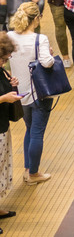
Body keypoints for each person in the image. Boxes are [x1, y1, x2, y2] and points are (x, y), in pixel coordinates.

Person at [7, 2, 55, 185]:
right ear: (36, 19)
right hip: (40, 93)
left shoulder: (10, 36)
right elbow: (47, 63)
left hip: (20, 93)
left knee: (29, 129)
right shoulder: (39, 39)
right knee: (37, 133)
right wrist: (50, 54)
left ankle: (28, 168)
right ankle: (33, 174)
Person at [0, 31, 27, 212]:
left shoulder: (1, 69)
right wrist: (3, 98)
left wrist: (12, 83)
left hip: (2, 127)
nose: (4, 62)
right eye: (2, 59)